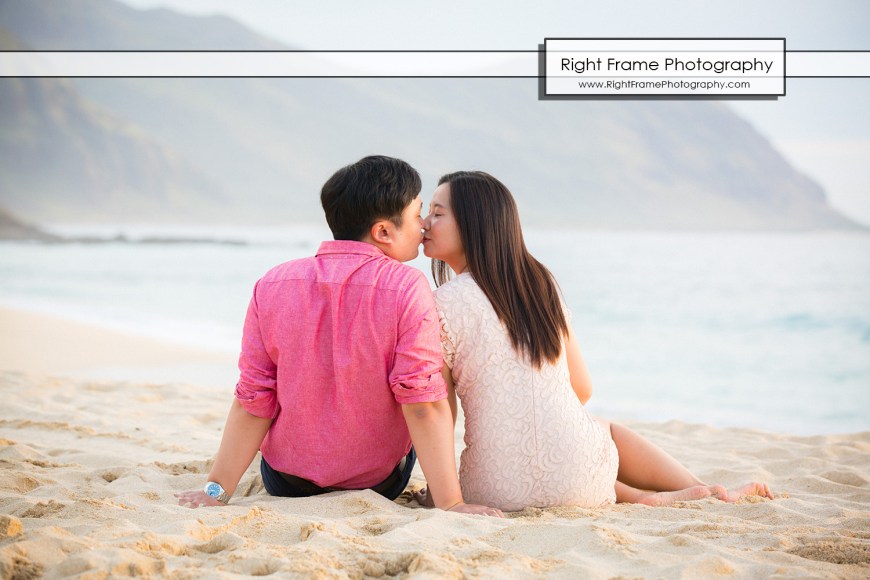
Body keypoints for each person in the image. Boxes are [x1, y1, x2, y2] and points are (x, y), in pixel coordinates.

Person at [415, 170, 773, 512]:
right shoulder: (540, 286)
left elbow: (441, 413)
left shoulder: (439, 304)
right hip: (582, 480)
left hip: (493, 489)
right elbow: (582, 388)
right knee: (602, 430)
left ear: (474, 224)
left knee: (553, 443)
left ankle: (640, 495)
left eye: (437, 213)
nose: (424, 222)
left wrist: (441, 494)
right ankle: (700, 490)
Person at [176, 156, 503, 518]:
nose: (424, 224)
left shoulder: (271, 283)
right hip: (378, 484)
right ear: (383, 232)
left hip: (285, 483)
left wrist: (216, 491)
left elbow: (253, 399)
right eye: (416, 215)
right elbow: (421, 405)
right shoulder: (407, 287)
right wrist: (451, 504)